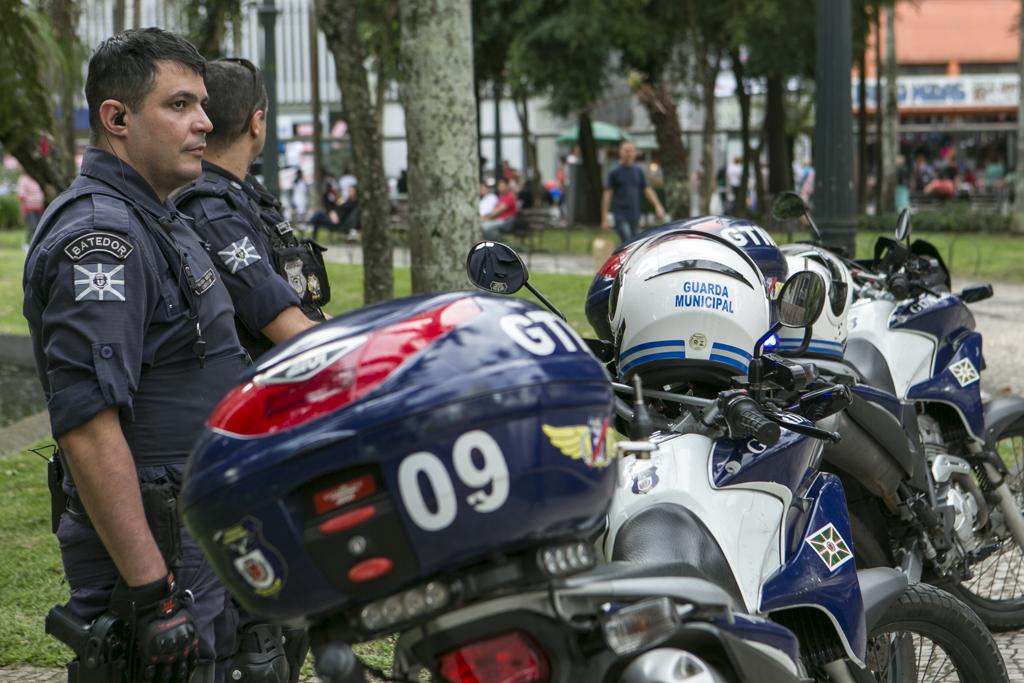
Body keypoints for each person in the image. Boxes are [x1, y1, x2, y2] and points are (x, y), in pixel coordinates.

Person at [22, 28, 247, 682]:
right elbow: (89, 425)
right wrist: (151, 590)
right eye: (179, 105)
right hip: (157, 558)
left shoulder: (154, 214)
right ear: (116, 118)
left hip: (198, 533)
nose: (204, 122)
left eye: (202, 104)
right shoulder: (102, 236)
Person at [174, 58, 325, 361]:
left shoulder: (241, 192)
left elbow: (306, 313)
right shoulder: (214, 211)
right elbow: (293, 332)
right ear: (256, 123)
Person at [601, 141, 665, 242]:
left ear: (635, 153)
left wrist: (657, 205)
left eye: (632, 151)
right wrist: (604, 218)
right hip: (620, 215)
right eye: (626, 151)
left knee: (634, 243)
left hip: (635, 214)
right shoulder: (614, 172)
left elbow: (647, 190)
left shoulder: (638, 171)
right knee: (627, 240)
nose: (629, 154)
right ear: (620, 152)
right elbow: (607, 195)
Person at [16, 171, 45, 246]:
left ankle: (34, 244)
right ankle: (28, 244)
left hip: (40, 207)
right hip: (29, 208)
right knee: (32, 227)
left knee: (39, 227)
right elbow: (21, 196)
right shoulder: (23, 179)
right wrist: (22, 211)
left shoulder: (38, 178)